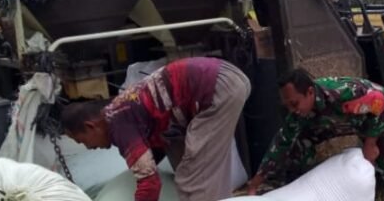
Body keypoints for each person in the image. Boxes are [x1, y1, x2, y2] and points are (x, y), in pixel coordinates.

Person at [61, 57, 250, 201]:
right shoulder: (119, 113)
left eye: (82, 141)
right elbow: (153, 155)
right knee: (185, 159)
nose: (88, 148)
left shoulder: (118, 124)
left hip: (216, 87)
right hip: (222, 78)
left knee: (192, 179)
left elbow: (150, 184)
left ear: (90, 126)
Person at [245, 67, 384, 201]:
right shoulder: (297, 114)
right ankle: (296, 184)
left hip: (382, 115)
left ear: (310, 92)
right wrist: (257, 181)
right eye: (287, 106)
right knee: (295, 146)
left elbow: (379, 101)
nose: (292, 111)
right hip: (340, 123)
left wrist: (371, 142)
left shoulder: (342, 93)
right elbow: (281, 144)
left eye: (294, 104)